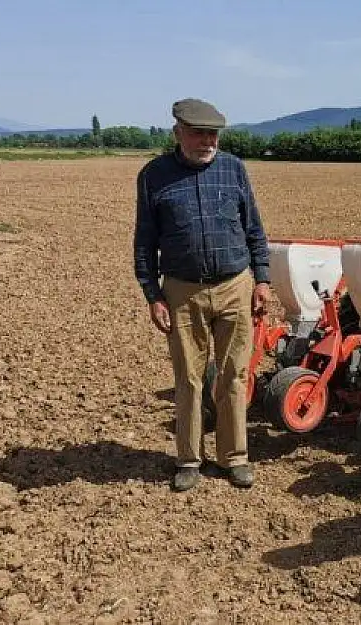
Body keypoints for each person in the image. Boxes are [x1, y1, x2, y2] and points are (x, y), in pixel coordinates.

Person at [133, 97, 272, 492]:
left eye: (213, 134)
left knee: (234, 375)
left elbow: (254, 230)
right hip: (182, 291)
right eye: (199, 133)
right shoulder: (154, 176)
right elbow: (145, 242)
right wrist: (152, 294)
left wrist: (261, 279)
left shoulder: (234, 170)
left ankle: (235, 458)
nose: (208, 141)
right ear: (178, 132)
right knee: (189, 379)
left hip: (234, 286)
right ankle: (189, 459)